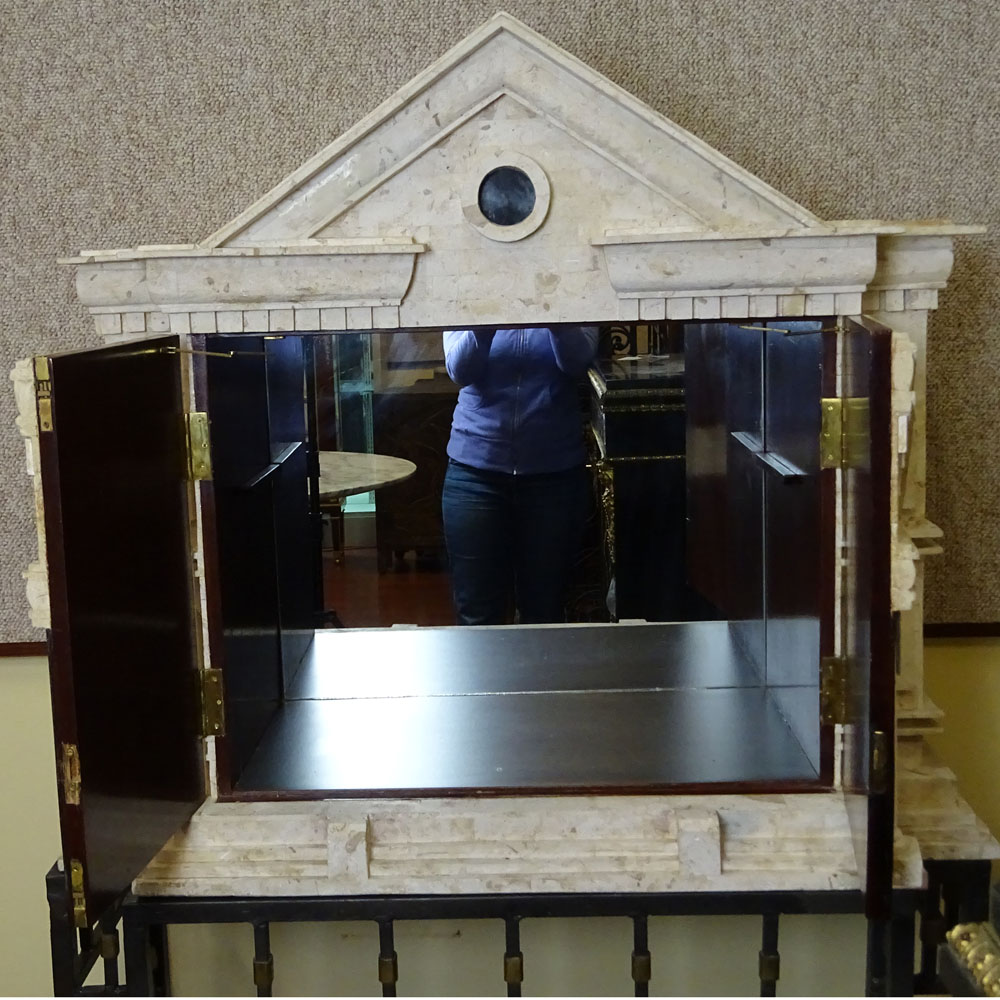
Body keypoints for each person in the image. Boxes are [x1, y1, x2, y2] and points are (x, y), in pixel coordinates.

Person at [441, 326, 600, 626]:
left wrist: (555, 316)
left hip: (554, 476)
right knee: (476, 615)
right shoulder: (470, 284)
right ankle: (483, 676)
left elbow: (577, 364)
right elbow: (459, 369)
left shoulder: (576, 284)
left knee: (545, 612)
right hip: (474, 473)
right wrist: (484, 323)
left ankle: (538, 675)